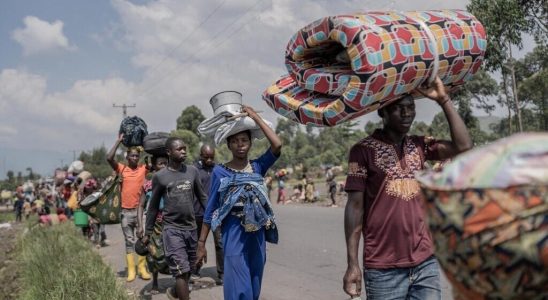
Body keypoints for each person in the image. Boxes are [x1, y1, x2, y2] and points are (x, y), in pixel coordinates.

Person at [343, 77, 473, 300]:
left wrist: (444, 100)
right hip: (383, 268)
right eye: (398, 109)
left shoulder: (420, 145)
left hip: (425, 263)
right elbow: (355, 208)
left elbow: (464, 147)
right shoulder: (362, 151)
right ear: (382, 112)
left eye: (410, 107)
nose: (407, 114)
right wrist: (352, 264)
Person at [196, 106, 282, 300]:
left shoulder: (258, 167)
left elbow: (277, 145)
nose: (240, 145)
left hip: (257, 233)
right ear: (228, 145)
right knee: (238, 287)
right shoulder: (220, 172)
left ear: (250, 143)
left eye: (244, 140)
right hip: (233, 232)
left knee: (254, 283)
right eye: (235, 141)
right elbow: (210, 210)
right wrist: (201, 243)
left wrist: (255, 116)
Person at [143, 137, 207, 300]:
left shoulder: (192, 171)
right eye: (179, 149)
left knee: (189, 270)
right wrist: (147, 233)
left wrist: (217, 217)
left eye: (185, 148)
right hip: (172, 230)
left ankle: (173, 292)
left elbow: (203, 198)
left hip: (191, 229)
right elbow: (153, 207)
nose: (184, 151)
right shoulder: (160, 176)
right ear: (169, 152)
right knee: (180, 271)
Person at [107, 134, 151, 282]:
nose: (134, 158)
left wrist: (146, 146)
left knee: (143, 240)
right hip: (125, 212)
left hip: (140, 213)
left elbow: (155, 161)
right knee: (129, 241)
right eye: (132, 156)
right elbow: (109, 158)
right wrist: (118, 141)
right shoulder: (122, 169)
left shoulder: (143, 169)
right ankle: (131, 270)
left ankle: (142, 268)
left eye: (136, 156)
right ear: (127, 157)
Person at [193, 144, 224, 284]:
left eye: (212, 157)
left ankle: (222, 273)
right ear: (201, 156)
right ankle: (195, 269)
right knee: (198, 243)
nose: (210, 160)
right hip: (198, 213)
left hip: (216, 214)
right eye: (207, 157)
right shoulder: (194, 170)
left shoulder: (218, 170)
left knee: (220, 243)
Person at [137, 154, 168, 294]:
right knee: (152, 254)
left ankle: (179, 282)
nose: (164, 166)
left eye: (166, 163)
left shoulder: (171, 181)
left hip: (170, 222)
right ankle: (155, 283)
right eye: (161, 163)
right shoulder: (148, 184)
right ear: (154, 166)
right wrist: (140, 225)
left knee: (174, 252)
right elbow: (141, 205)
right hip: (153, 224)